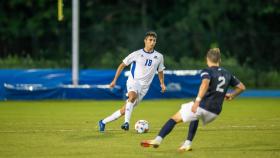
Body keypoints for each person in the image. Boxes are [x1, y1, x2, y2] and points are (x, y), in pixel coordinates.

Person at [140, 48, 246, 151]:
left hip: (204, 105)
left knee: (174, 118)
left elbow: (205, 84)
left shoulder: (207, 71)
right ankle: (187, 143)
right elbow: (241, 87)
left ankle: (157, 140)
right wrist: (232, 95)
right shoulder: (227, 73)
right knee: (195, 117)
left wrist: (197, 101)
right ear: (220, 60)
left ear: (207, 59)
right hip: (216, 112)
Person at [98, 31, 166, 132]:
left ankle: (103, 122)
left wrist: (162, 83)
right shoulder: (137, 54)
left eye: (154, 40)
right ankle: (126, 123)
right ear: (145, 41)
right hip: (134, 81)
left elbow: (160, 71)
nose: (152, 42)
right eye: (150, 40)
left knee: (124, 110)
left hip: (144, 87)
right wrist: (114, 80)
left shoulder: (159, 56)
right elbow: (122, 65)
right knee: (132, 97)